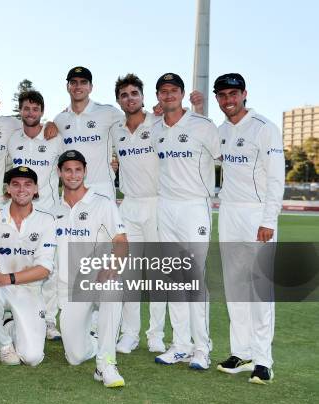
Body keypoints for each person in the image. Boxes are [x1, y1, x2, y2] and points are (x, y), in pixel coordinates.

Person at [213, 73, 284, 384]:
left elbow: (275, 178)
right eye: (223, 95)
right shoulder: (221, 130)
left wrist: (269, 219)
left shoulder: (265, 128)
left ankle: (263, 359)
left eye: (233, 94)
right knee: (236, 286)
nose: (228, 101)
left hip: (257, 217)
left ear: (244, 94)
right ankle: (241, 352)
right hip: (229, 213)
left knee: (260, 289)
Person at [151, 73, 220, 370]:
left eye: (173, 91)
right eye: (163, 91)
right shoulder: (155, 128)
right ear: (158, 96)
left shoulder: (202, 125)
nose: (168, 96)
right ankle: (180, 345)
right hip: (166, 207)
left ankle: (202, 348)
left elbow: (222, 157)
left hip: (195, 207)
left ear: (181, 94)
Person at [54, 150, 128, 388]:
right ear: (59, 173)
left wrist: (112, 266)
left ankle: (106, 362)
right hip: (69, 288)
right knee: (74, 357)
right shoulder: (53, 207)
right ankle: (96, 338)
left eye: (77, 169)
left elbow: (121, 240)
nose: (73, 175)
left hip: (96, 279)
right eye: (67, 170)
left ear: (85, 172)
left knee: (114, 287)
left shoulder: (102, 203)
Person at [111, 73, 167, 354]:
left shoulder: (159, 121)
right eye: (124, 95)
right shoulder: (115, 130)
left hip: (157, 204)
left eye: (134, 93)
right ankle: (129, 333)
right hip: (129, 205)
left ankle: (155, 334)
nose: (129, 98)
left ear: (143, 97)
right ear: (118, 100)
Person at [0, 166, 57, 366]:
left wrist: (7, 277)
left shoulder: (47, 220)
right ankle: (4, 344)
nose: (22, 189)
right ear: (8, 189)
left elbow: (44, 269)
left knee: (32, 358)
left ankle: (7, 324)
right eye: (16, 184)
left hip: (29, 289)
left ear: (36, 189)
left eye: (27, 184)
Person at [6, 90, 63, 341]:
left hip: (49, 212)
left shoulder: (55, 137)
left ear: (42, 112)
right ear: (21, 111)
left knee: (50, 267)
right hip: (20, 212)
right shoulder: (12, 138)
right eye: (26, 109)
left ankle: (49, 320)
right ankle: (9, 314)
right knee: (15, 263)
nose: (31, 113)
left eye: (36, 109)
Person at [53, 66, 124, 200]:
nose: (78, 86)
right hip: (71, 188)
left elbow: (134, 121)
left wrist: (157, 113)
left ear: (91, 87)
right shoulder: (59, 119)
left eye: (83, 82)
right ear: (67, 87)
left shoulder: (108, 112)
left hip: (102, 188)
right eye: (73, 82)